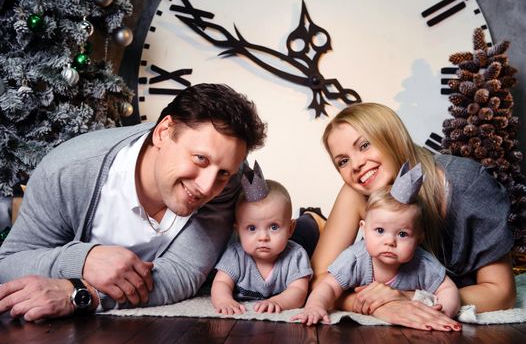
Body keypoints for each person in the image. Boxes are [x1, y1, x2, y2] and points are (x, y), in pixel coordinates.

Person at [0, 83, 267, 321]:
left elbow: (183, 271)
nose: (207, 187)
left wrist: (82, 292)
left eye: (222, 173)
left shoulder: (227, 180)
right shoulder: (68, 171)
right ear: (163, 132)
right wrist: (83, 258)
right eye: (200, 159)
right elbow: (8, 264)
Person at [307, 102, 516, 330]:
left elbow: (501, 292)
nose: (356, 164)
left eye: (365, 145)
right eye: (343, 161)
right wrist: (374, 304)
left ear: (392, 136)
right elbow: (319, 278)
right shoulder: (357, 191)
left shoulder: (466, 183)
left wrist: (409, 298)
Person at [292, 163, 461, 330]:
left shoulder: (422, 263)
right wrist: (315, 306)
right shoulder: (355, 259)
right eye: (380, 230)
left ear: (418, 238)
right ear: (364, 230)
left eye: (402, 234)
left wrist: (443, 311)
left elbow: (447, 288)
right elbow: (328, 286)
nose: (390, 242)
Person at [211, 162, 312, 315]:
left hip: (308, 232)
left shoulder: (295, 255)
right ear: (238, 231)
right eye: (252, 228)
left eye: (273, 227)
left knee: (309, 227)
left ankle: (311, 215)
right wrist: (224, 300)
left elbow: (299, 290)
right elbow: (221, 283)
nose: (263, 237)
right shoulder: (236, 255)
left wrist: (278, 301)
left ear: (290, 229)